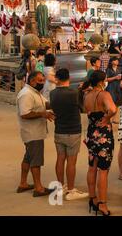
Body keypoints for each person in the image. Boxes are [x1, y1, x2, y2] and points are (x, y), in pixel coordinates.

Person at [50, 68, 88, 200]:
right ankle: (71, 190)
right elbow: (83, 108)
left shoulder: (53, 93)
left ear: (57, 79)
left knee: (60, 158)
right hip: (73, 130)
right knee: (71, 161)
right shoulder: (74, 93)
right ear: (69, 78)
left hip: (59, 129)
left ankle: (60, 187)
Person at [83, 70, 117, 216]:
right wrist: (107, 118)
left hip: (91, 133)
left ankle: (93, 198)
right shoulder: (104, 94)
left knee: (92, 166)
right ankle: (102, 204)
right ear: (101, 82)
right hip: (103, 135)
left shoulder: (87, 95)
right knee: (103, 170)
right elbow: (113, 109)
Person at [16, 71, 55, 197]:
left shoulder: (34, 92)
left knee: (28, 157)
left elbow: (46, 104)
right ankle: (38, 188)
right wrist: (43, 114)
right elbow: (25, 113)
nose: (42, 83)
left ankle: (23, 183)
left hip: (35, 131)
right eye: (40, 81)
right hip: (32, 132)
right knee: (36, 160)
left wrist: (60, 101)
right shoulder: (26, 94)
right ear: (32, 81)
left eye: (43, 80)